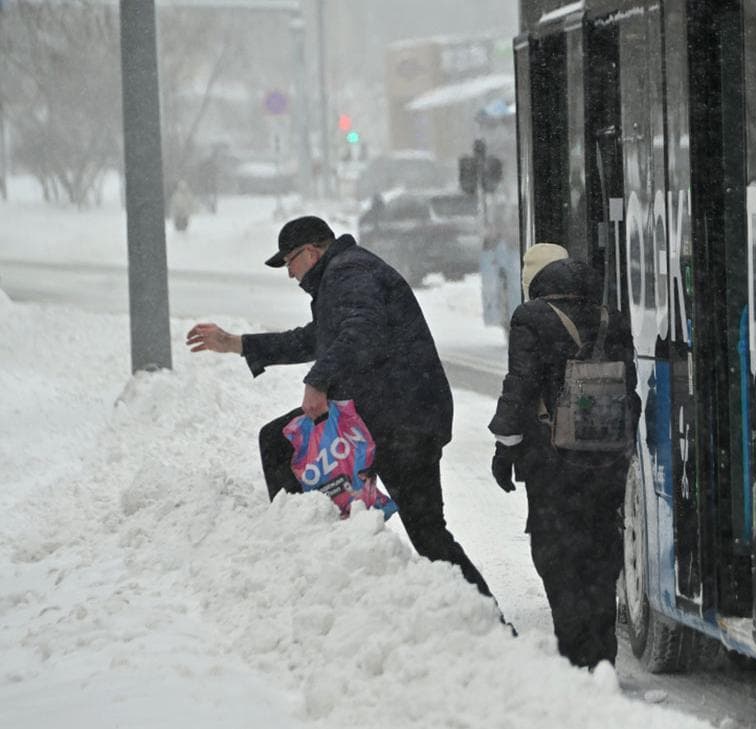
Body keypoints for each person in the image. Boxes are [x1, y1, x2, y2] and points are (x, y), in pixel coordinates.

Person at [185, 215, 495, 601]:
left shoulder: (350, 272)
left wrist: (317, 381)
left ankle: (305, 548)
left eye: (289, 262)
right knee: (427, 531)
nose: (290, 275)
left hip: (400, 420)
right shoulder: (343, 275)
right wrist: (237, 343)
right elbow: (316, 338)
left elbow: (361, 331)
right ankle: (313, 552)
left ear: (311, 252)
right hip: (389, 416)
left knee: (426, 530)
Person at [488, 243, 639, 669]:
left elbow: (520, 385)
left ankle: (574, 654)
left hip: (553, 461)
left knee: (556, 553)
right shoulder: (613, 318)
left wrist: (506, 448)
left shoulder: (530, 317)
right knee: (599, 551)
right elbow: (630, 391)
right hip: (606, 459)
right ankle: (602, 654)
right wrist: (619, 446)